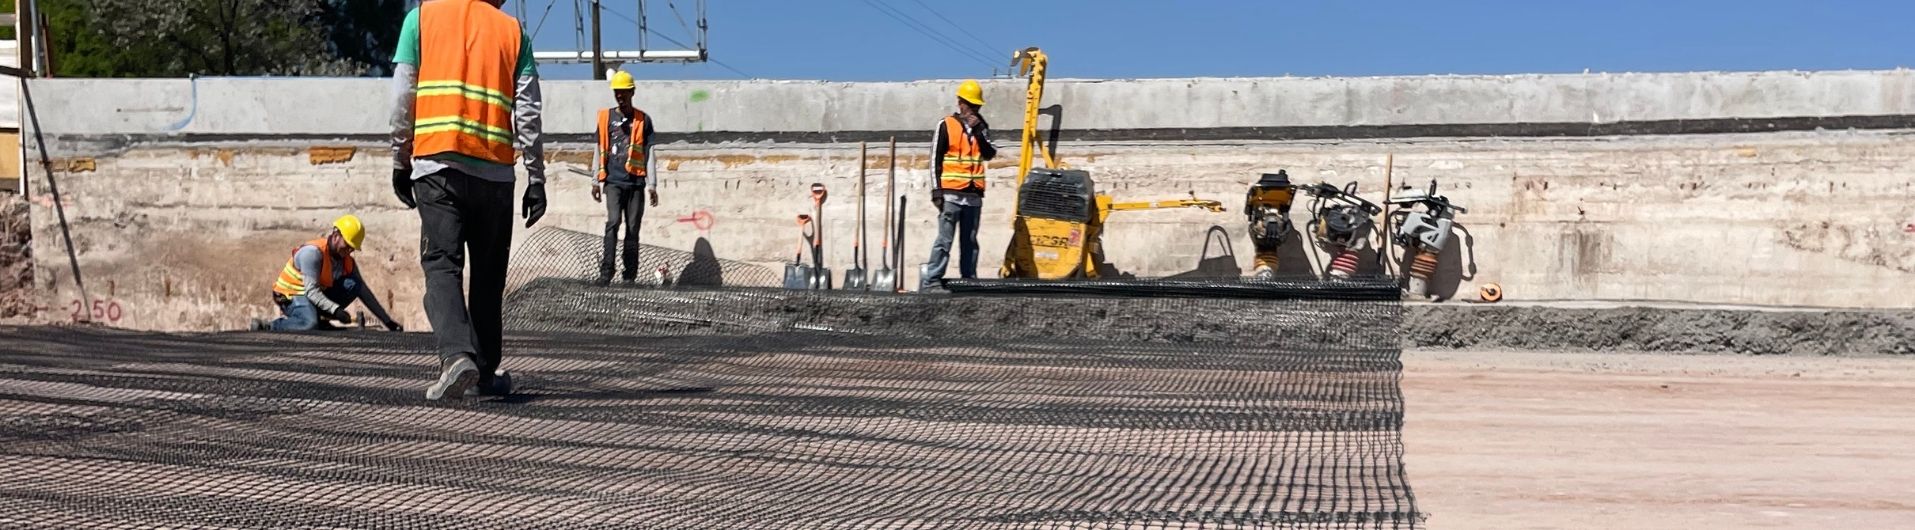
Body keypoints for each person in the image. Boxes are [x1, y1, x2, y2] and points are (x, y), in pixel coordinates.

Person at [388, 0, 545, 400]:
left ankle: (457, 357)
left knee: (442, 265)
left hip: (437, 165)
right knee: (489, 274)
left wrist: (399, 159)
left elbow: (403, 95)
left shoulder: (420, 19)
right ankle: (486, 372)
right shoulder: (513, 32)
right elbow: (528, 112)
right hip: (494, 171)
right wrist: (537, 179)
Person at [257, 215, 402, 333]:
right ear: (336, 235)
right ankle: (268, 326)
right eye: (347, 245)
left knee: (353, 284)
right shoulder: (312, 253)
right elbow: (312, 291)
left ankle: (318, 319)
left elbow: (364, 292)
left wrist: (387, 321)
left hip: (313, 295)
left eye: (352, 248)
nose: (349, 251)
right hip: (290, 295)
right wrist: (336, 310)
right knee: (309, 324)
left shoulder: (347, 261)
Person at [922, 79, 996, 290]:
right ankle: (932, 281)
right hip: (951, 195)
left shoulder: (981, 126)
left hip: (973, 197)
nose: (973, 109)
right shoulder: (946, 125)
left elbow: (989, 153)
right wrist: (937, 191)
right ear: (960, 103)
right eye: (969, 104)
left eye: (976, 106)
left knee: (970, 243)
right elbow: (935, 159)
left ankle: (969, 280)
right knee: (944, 241)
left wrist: (980, 130)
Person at [593, 70, 659, 285]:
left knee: (633, 228)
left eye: (623, 92)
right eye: (617, 92)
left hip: (636, 183)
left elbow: (649, 153)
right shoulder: (605, 118)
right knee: (613, 222)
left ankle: (629, 274)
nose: (620, 96)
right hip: (613, 181)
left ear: (632, 92)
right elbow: (598, 148)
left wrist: (652, 185)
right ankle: (606, 271)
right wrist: (595, 180)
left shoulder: (643, 120)